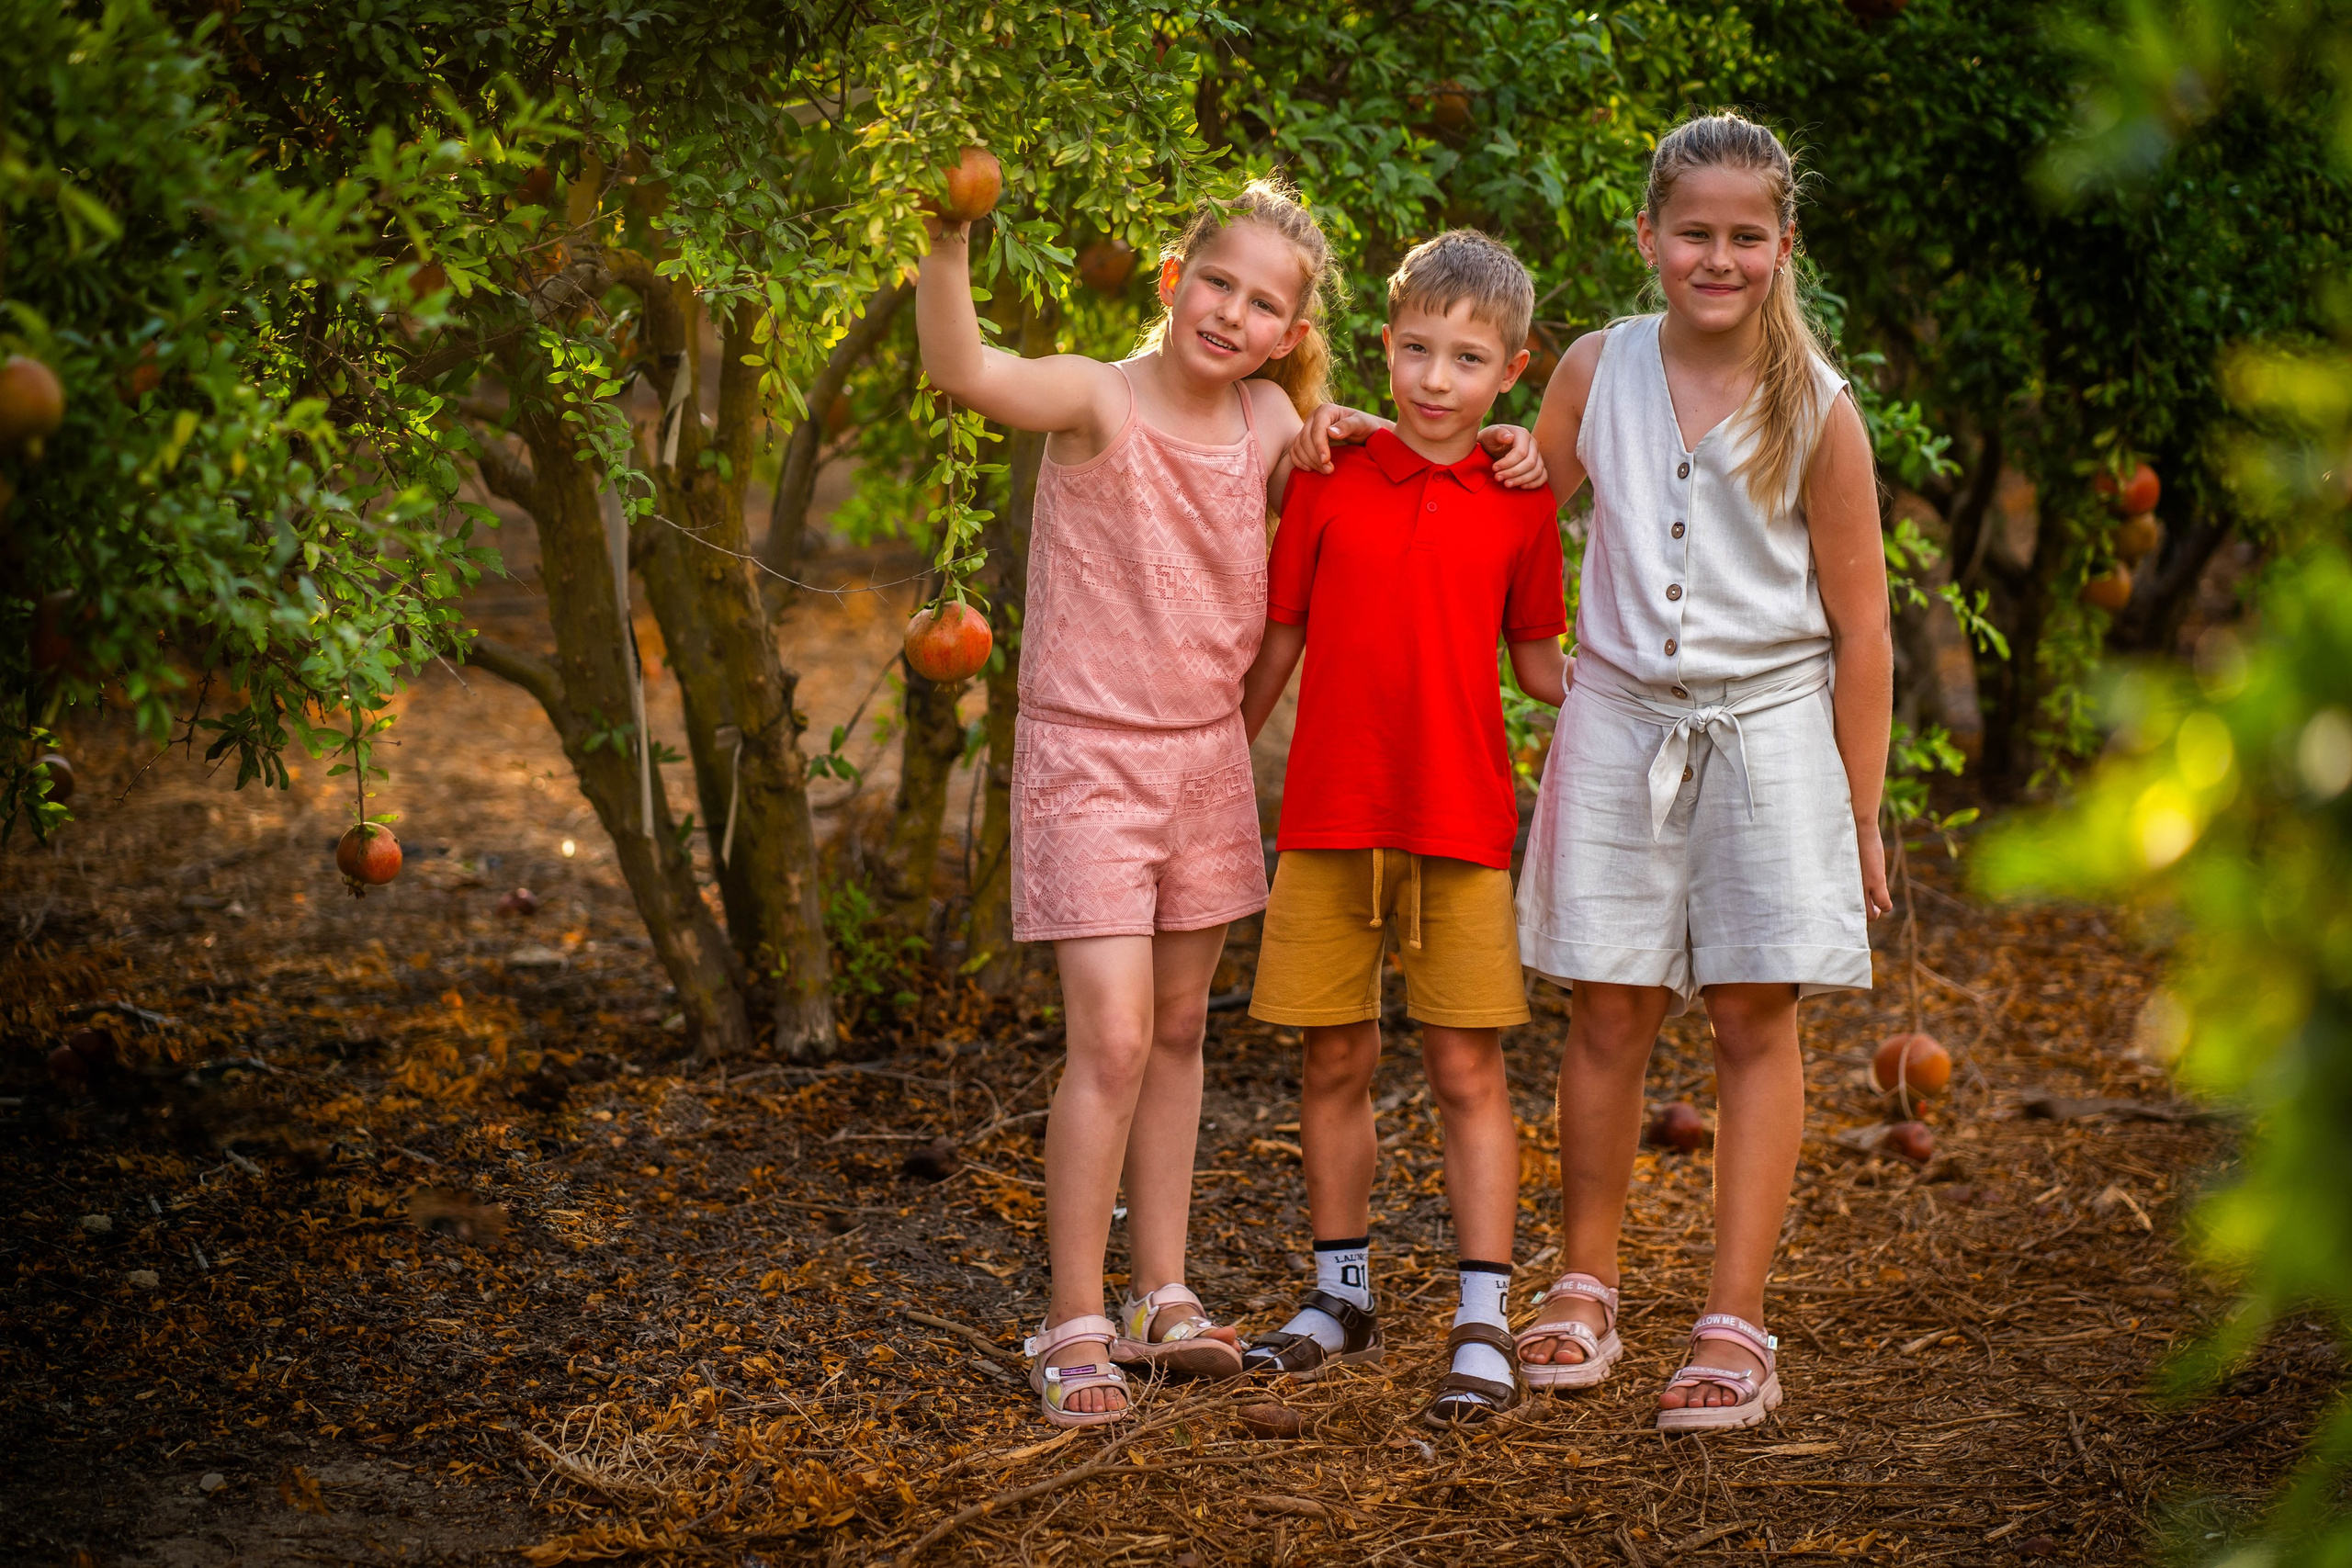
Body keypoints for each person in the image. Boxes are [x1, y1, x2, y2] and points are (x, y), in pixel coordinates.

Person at [918, 177, 1542, 1427]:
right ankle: (1074, 1318)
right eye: (1217, 281)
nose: (1231, 313)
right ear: (1172, 279)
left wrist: (1502, 445)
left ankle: (1162, 1292)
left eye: (1264, 305)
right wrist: (948, 239)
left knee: (1179, 1033)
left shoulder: (1272, 422)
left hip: (1204, 762)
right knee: (1110, 1039)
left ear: (1289, 335)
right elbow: (965, 371)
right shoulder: (1098, 397)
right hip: (1091, 755)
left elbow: (1398, 462)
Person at [1505, 111, 1894, 1432]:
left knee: (1749, 1019)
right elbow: (1515, 518)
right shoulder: (1595, 369)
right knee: (1608, 1012)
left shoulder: (1818, 410)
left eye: (1744, 236)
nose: (1716, 258)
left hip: (1771, 734)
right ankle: (1585, 1283)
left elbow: (1862, 629)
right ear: (1648, 238)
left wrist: (1859, 812)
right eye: (1692, 233)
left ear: (1784, 246)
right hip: (1619, 721)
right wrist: (1529, 644)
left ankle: (1735, 1320)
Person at [1238, 230, 1567, 1429]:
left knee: (1466, 1068)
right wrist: (1209, 762)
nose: (1436, 379)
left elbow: (1543, 667)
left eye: (1468, 359)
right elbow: (1279, 639)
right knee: (1333, 1060)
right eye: (1417, 350)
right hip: (1329, 816)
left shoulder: (1522, 502)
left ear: (1512, 371)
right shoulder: (1329, 475)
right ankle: (1341, 1298)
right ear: (1384, 346)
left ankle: (1483, 1317)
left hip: (1460, 822)